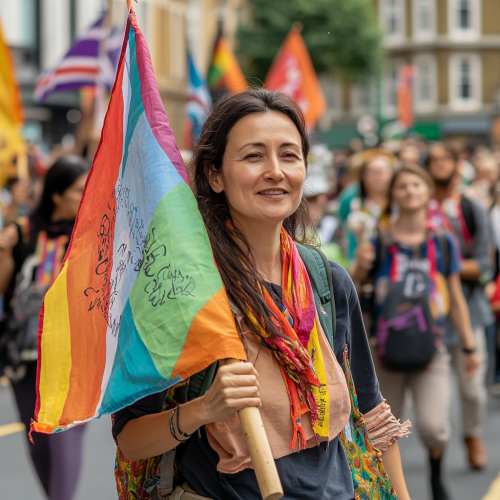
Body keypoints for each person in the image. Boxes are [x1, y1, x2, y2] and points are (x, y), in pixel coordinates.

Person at [113, 89, 412, 500]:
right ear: (215, 175)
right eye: (254, 156)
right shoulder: (180, 288)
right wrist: (203, 410)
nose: (275, 171)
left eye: (289, 155)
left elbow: (372, 416)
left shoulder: (328, 281)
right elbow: (131, 441)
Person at [351, 164, 480, 500]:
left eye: (416, 185)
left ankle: (436, 478)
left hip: (430, 346)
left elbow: (454, 297)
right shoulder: (380, 239)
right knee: (381, 433)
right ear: (393, 194)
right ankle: (389, 491)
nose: (409, 191)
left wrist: (469, 347)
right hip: (383, 348)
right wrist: (361, 263)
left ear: (427, 192)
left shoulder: (442, 241)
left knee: (435, 428)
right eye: (402, 186)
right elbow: (351, 287)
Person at [0, 156, 89, 500]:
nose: (86, 196)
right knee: (38, 444)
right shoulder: (24, 232)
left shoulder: (92, 234)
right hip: (26, 360)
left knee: (65, 442)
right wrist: (5, 253)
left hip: (72, 361)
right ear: (56, 194)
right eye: (79, 190)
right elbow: (4, 289)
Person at [426, 143, 493, 470]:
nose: (439, 165)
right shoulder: (417, 207)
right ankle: (434, 451)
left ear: (456, 166)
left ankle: (472, 434)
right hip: (429, 313)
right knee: (431, 396)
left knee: (473, 390)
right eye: (433, 160)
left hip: (469, 309)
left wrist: (443, 264)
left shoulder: (470, 208)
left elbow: (483, 264)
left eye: (445, 159)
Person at [338, 150, 396, 262]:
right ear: (363, 176)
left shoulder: (398, 203)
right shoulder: (351, 199)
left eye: (381, 172)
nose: (377, 176)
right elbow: (343, 220)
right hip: (359, 264)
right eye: (372, 172)